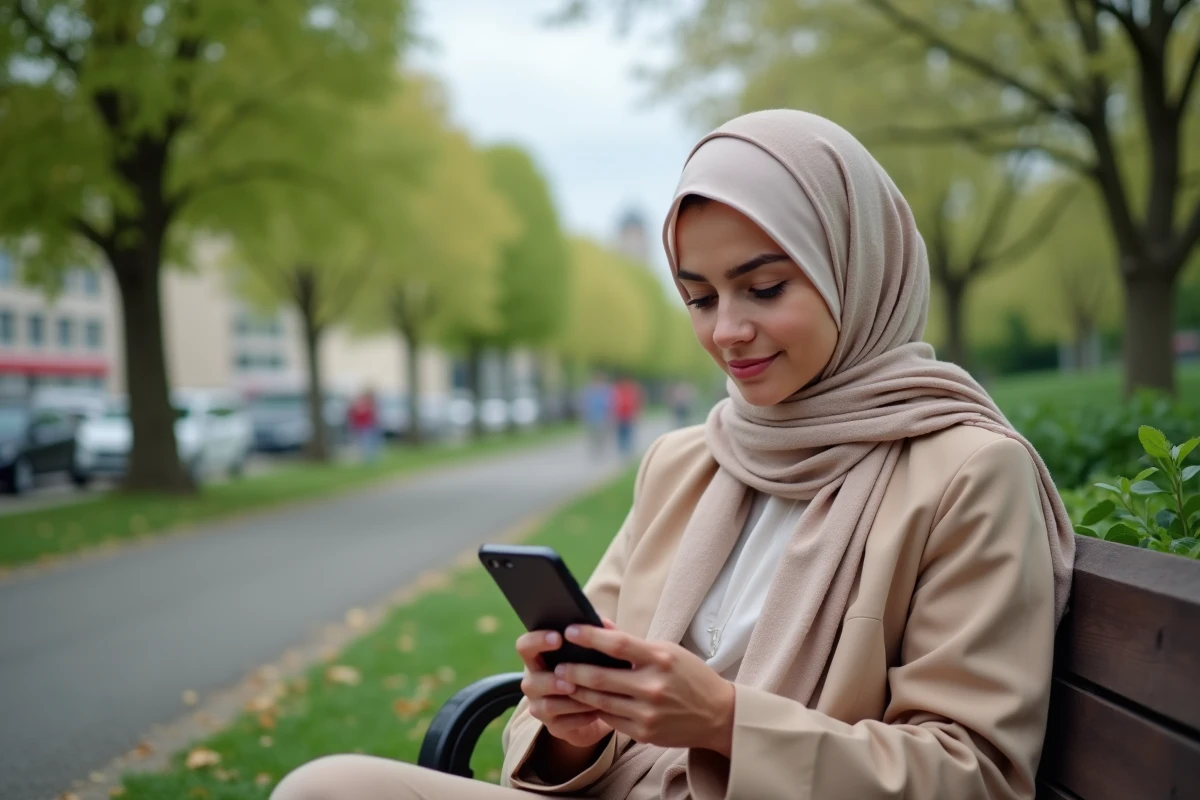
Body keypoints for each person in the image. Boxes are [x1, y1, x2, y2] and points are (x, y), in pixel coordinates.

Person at [270, 110, 1074, 799]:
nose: (726, 330)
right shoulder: (686, 461)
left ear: (855, 269)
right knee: (323, 787)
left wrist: (726, 722)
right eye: (699, 296)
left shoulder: (966, 471)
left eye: (763, 288)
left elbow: (978, 777)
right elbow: (551, 730)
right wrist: (571, 724)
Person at [580, 372, 615, 459]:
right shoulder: (589, 391)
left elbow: (611, 404)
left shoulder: (606, 390)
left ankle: (601, 451)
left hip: (603, 417)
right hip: (592, 418)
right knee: (593, 436)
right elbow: (585, 404)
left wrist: (611, 415)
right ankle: (595, 451)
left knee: (602, 436)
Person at [347, 388, 381, 464]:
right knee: (365, 443)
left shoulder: (369, 405)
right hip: (362, 426)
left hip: (368, 426)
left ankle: (371, 459)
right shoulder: (360, 405)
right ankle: (368, 459)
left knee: (370, 443)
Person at [611, 377, 642, 460]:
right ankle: (623, 448)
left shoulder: (630, 391)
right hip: (621, 415)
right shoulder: (618, 391)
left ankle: (627, 449)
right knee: (622, 432)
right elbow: (614, 404)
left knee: (628, 432)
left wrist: (637, 414)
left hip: (628, 415)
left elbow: (636, 403)